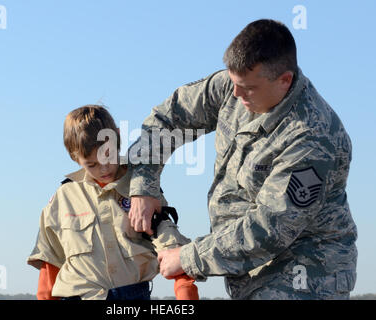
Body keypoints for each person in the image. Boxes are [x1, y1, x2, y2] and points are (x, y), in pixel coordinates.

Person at [127, 19, 358, 299]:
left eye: (247, 88)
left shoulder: (312, 136)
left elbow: (269, 229)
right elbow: (168, 118)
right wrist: (144, 185)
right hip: (248, 274)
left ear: (284, 80)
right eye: (233, 82)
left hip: (303, 277)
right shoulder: (235, 87)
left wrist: (187, 258)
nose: (236, 95)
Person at [27, 105, 199, 300]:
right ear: (75, 157)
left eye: (108, 155)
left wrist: (186, 297)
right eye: (92, 164)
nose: (104, 168)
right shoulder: (63, 198)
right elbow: (51, 262)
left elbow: (171, 246)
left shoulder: (142, 189)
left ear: (118, 137)